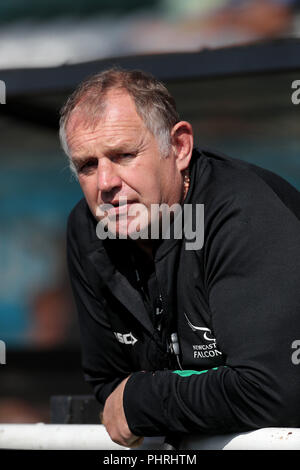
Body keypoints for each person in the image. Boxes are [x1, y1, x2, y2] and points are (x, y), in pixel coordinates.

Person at [59, 68, 300, 448]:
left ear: (180, 147)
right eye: (87, 165)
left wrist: (143, 398)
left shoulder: (243, 212)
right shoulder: (87, 229)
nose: (105, 183)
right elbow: (108, 388)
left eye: (123, 155)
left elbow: (271, 389)